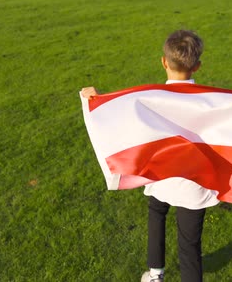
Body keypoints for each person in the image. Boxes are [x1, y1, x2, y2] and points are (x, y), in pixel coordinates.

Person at [80, 30, 218, 282]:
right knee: (189, 247)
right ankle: (157, 272)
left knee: (156, 213)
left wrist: (94, 100)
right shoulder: (210, 102)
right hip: (193, 185)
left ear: (164, 62)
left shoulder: (150, 99)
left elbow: (120, 117)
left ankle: (155, 274)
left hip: (160, 179)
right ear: (197, 65)